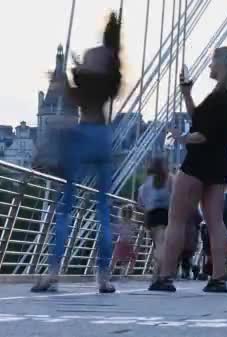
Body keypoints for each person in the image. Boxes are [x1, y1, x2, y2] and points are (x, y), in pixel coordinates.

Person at [32, 12, 123, 293]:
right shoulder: (113, 64)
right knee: (104, 210)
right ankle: (103, 277)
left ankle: (53, 271)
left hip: (83, 134)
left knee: (65, 209)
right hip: (103, 136)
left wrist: (62, 81)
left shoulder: (92, 55)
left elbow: (76, 95)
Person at [149, 46, 227, 293]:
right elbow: (200, 121)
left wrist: (181, 138)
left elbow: (202, 135)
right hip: (221, 164)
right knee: (215, 222)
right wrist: (187, 95)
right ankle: (219, 276)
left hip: (198, 164)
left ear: (223, 64)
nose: (210, 65)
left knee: (177, 220)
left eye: (213, 61)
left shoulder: (219, 97)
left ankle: (165, 276)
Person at [137, 157, 172, 283]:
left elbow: (140, 203)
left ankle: (156, 273)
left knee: (157, 245)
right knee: (162, 245)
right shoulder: (169, 180)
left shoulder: (146, 184)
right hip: (164, 215)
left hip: (151, 216)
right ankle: (159, 274)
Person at [111, 205, 138, 278]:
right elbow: (117, 229)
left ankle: (123, 272)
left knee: (127, 258)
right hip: (123, 242)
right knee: (116, 257)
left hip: (127, 243)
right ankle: (112, 271)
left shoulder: (131, 224)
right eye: (125, 213)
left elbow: (134, 230)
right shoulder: (123, 223)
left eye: (128, 213)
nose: (126, 216)